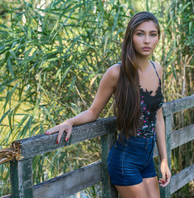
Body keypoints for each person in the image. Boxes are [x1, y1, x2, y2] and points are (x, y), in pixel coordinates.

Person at [45, 11, 171, 198]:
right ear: (130, 37)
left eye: (152, 34)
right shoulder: (116, 73)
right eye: (140, 33)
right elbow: (93, 112)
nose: (147, 40)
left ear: (158, 37)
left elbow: (158, 118)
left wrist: (164, 160)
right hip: (125, 159)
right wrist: (69, 122)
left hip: (146, 159)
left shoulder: (157, 68)